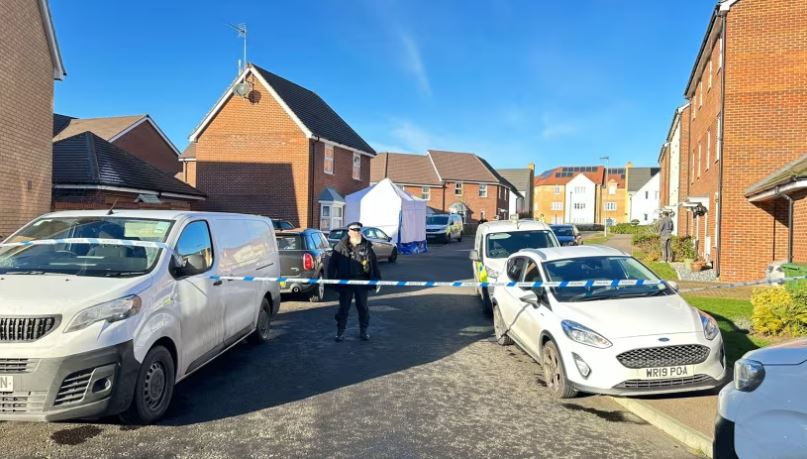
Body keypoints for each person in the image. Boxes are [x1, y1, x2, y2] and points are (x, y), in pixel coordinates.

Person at [327, 222, 382, 342]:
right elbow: (332, 265)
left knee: (362, 307)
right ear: (349, 231)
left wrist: (377, 280)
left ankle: (363, 331)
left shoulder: (366, 246)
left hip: (361, 281)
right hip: (345, 281)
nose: (357, 232)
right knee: (343, 308)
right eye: (354, 229)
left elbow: (374, 265)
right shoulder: (340, 247)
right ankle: (340, 332)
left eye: (359, 230)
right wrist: (331, 281)